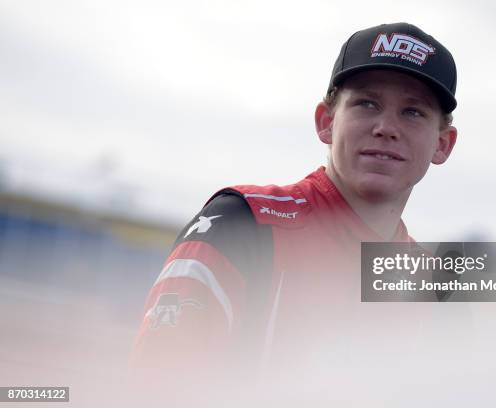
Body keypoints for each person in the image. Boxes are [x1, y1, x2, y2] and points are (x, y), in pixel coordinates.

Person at [129, 22, 458, 400]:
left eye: (413, 112)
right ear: (326, 122)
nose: (386, 127)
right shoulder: (242, 224)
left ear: (443, 145)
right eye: (367, 103)